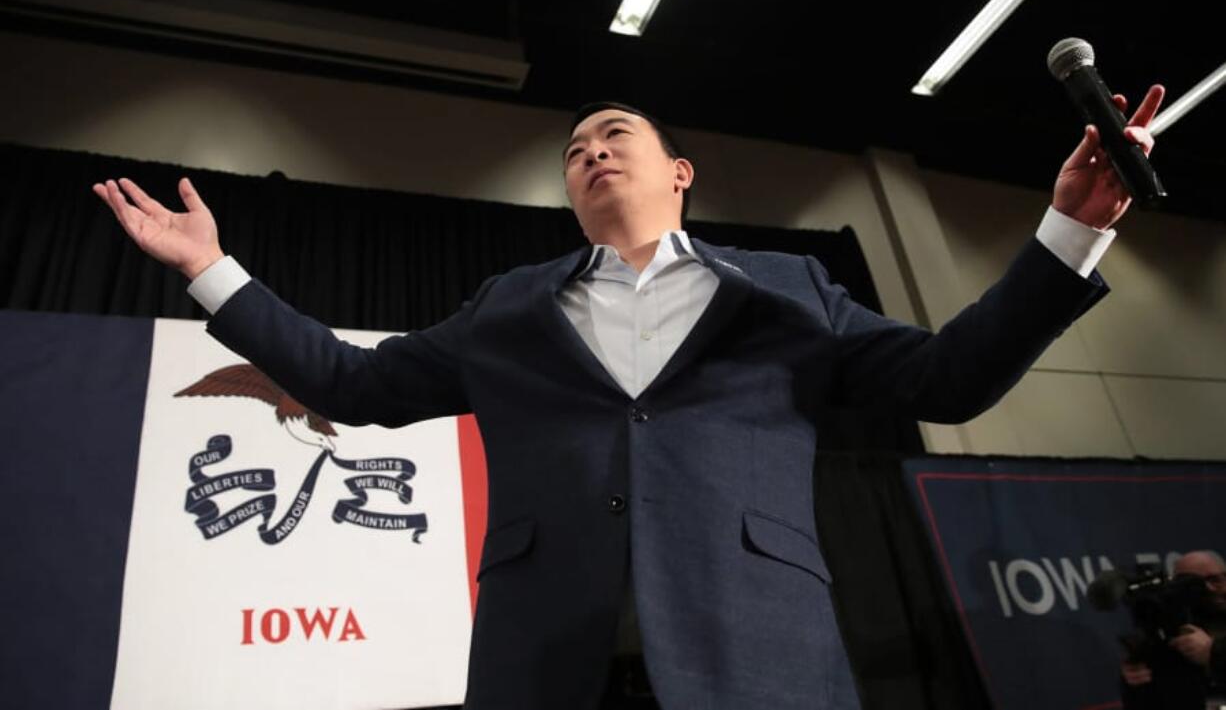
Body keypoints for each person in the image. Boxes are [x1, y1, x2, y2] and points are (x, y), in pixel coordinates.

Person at [94, 89, 1163, 710]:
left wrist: (1066, 232)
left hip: (756, 660)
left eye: (613, 135)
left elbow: (948, 378)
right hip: (547, 663)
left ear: (679, 171)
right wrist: (211, 272)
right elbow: (351, 386)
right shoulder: (507, 307)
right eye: (573, 149)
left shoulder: (786, 290)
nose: (590, 151)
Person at [1121, 550, 1226, 709]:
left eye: (1215, 579)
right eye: (1192, 585)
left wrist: (1213, 653)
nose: (1209, 589)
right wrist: (1135, 681)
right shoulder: (1172, 637)